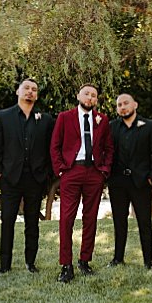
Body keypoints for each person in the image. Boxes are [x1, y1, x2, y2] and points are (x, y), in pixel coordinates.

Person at [0, 79, 54, 274]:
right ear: (18, 91)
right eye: (26, 88)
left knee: (32, 222)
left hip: (35, 179)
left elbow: (51, 148)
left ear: (37, 95)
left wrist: (47, 174)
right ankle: (5, 265)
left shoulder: (45, 119)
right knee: (7, 221)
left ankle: (30, 263)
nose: (30, 92)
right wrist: (0, 173)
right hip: (10, 178)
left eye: (34, 89)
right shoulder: (3, 116)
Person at [51, 84, 114, 280]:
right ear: (78, 95)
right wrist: (62, 170)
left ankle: (84, 261)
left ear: (96, 100)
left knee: (90, 218)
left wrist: (103, 171)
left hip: (94, 173)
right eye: (86, 93)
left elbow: (109, 148)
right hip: (71, 172)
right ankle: (66, 265)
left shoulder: (102, 120)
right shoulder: (64, 117)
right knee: (66, 219)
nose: (89, 97)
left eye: (93, 95)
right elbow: (55, 146)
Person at [107, 92, 152, 268]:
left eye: (126, 103)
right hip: (117, 183)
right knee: (119, 222)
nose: (122, 107)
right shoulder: (111, 127)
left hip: (141, 183)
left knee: (144, 222)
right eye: (119, 105)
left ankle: (148, 262)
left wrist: (151, 179)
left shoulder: (149, 126)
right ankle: (118, 258)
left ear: (135, 105)